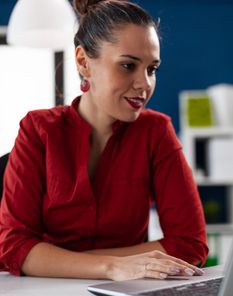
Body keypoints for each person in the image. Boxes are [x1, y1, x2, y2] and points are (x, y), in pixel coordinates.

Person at [0, 0, 208, 280]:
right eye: (127, 65)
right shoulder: (38, 129)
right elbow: (15, 247)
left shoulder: (156, 131)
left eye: (152, 69)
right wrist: (111, 266)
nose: (145, 83)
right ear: (84, 62)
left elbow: (190, 243)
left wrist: (53, 260)